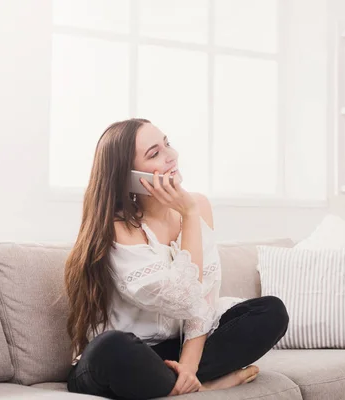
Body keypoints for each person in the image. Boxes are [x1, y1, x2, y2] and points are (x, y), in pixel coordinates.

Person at [64, 118, 289, 399]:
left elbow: (201, 305)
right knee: (110, 347)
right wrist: (189, 215)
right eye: (154, 153)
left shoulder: (197, 206)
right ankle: (207, 386)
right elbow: (186, 295)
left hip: (174, 350)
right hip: (124, 355)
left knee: (271, 312)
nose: (172, 156)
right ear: (129, 177)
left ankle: (180, 384)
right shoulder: (119, 229)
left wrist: (189, 368)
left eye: (167, 143)